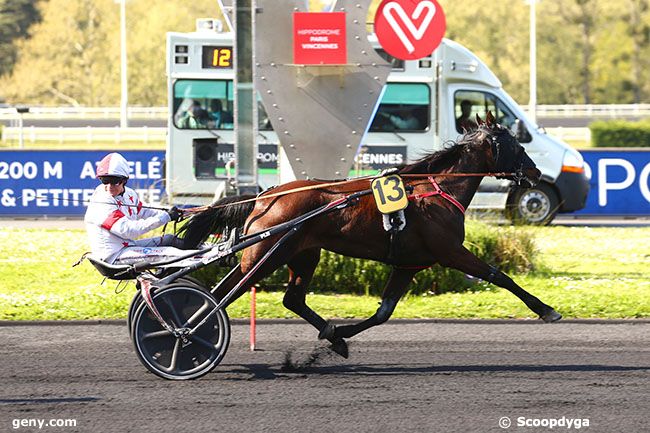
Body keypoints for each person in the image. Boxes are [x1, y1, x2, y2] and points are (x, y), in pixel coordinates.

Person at [84, 152, 188, 265]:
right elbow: (129, 231)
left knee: (170, 239)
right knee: (172, 254)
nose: (109, 186)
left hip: (129, 247)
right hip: (113, 256)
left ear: (124, 180)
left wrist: (169, 211)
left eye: (114, 181)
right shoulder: (101, 202)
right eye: (105, 180)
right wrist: (165, 217)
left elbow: (144, 211)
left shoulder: (129, 194)